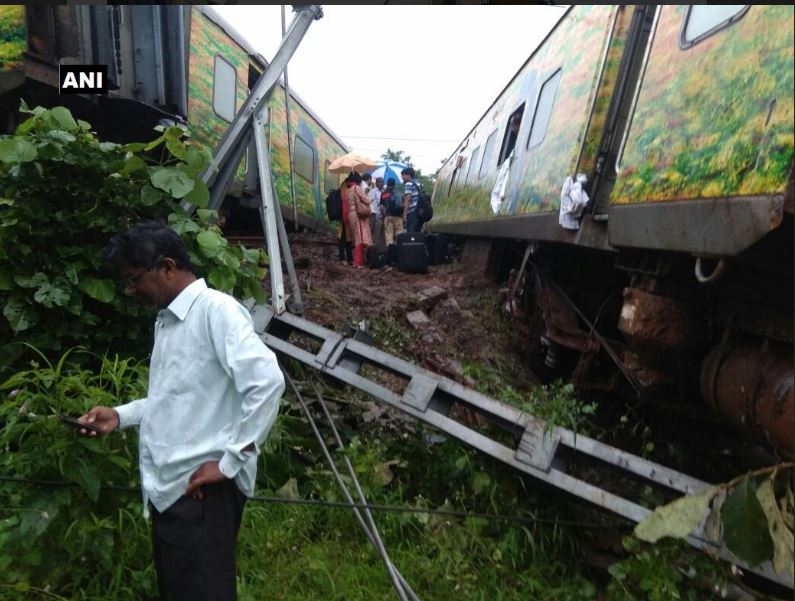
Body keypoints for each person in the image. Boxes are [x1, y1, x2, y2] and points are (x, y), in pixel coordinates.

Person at [77, 220, 285, 601]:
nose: (129, 289)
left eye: (134, 278)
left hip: (202, 495)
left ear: (168, 267)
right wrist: (120, 415)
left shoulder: (216, 311)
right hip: (171, 492)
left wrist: (228, 463)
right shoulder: (168, 321)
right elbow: (173, 397)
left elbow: (267, 382)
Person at [345, 172, 373, 268]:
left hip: (351, 214)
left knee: (356, 238)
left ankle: (358, 261)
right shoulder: (357, 188)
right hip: (358, 214)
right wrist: (370, 198)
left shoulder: (347, 190)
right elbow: (366, 199)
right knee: (360, 238)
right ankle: (358, 262)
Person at [337, 175, 354, 264]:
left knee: (348, 238)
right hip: (345, 216)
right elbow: (346, 201)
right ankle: (343, 258)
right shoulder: (346, 187)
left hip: (347, 216)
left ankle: (349, 258)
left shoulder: (344, 186)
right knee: (343, 239)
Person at [401, 167, 421, 234]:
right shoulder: (419, 183)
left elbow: (408, 198)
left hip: (412, 212)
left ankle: (412, 244)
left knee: (411, 234)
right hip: (420, 212)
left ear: (408, 175)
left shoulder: (408, 184)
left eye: (403, 175)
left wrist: (404, 214)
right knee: (417, 233)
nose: (402, 178)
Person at [382, 177, 402, 245]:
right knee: (399, 236)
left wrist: (384, 216)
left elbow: (382, 207)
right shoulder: (399, 192)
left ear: (387, 184)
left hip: (388, 217)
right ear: (395, 184)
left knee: (389, 237)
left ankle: (390, 252)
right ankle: (400, 252)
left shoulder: (384, 193)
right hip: (398, 217)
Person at [369, 176, 385, 247]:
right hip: (376, 217)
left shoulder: (384, 192)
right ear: (376, 183)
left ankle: (381, 252)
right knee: (376, 234)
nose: (381, 184)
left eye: (382, 182)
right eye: (380, 182)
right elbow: (371, 204)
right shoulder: (372, 192)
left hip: (383, 217)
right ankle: (374, 251)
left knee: (383, 235)